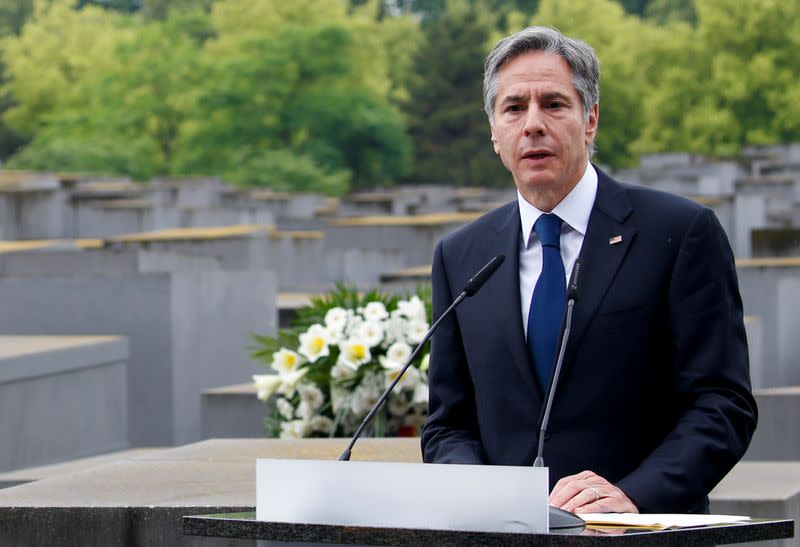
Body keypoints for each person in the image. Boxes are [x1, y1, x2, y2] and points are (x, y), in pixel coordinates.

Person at [420, 26, 757, 515]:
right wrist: (478, 494)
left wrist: (634, 494)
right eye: (514, 108)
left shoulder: (680, 232)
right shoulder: (461, 255)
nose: (533, 124)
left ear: (590, 119)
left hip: (638, 532)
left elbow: (723, 404)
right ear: (494, 132)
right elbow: (448, 423)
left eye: (554, 104)